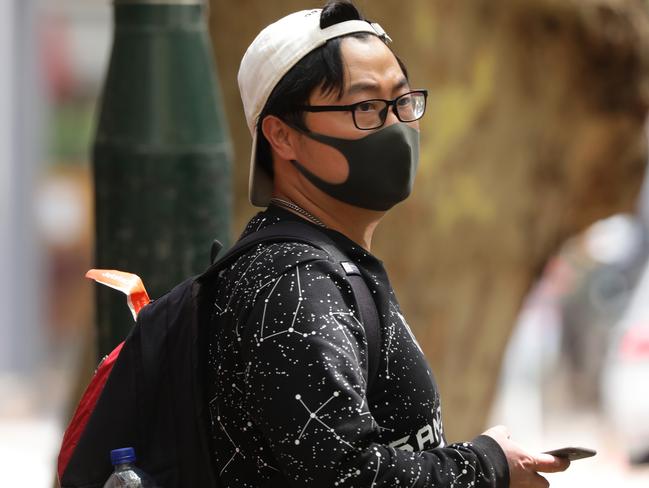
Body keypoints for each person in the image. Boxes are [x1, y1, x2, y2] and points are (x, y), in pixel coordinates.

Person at [205, 2, 570, 486]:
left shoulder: (331, 263)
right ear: (282, 135)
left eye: (402, 102)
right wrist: (488, 465)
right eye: (365, 108)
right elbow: (350, 476)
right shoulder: (293, 283)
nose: (397, 126)